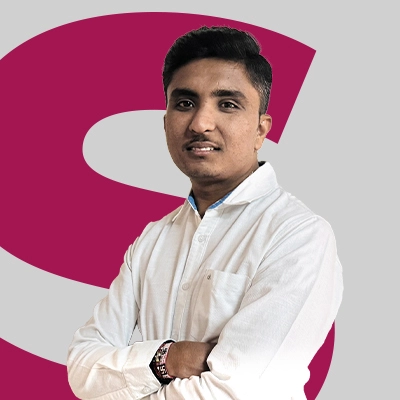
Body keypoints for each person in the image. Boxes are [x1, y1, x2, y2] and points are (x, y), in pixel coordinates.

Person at [67, 26, 343, 400]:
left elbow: (238, 392)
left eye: (227, 104)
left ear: (261, 130)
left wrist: (127, 382)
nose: (200, 124)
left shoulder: (298, 235)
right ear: (166, 122)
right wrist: (168, 359)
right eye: (185, 103)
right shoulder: (153, 240)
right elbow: (82, 368)